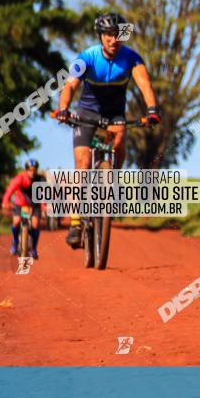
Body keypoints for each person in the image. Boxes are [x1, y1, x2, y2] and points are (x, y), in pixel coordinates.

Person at [54, 13, 161, 249]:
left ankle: (113, 182)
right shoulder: (87, 57)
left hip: (114, 115)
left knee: (119, 142)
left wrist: (152, 109)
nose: (114, 40)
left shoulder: (132, 58)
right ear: (101, 36)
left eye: (118, 35)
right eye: (109, 35)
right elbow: (70, 85)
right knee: (82, 165)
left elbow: (145, 84)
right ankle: (75, 223)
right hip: (87, 114)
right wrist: (63, 108)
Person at [1, 159, 41, 259]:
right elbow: (10, 189)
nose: (32, 172)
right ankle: (15, 241)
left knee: (35, 224)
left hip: (34, 204)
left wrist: (47, 203)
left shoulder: (40, 179)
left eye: (34, 170)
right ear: (26, 170)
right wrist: (5, 201)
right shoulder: (20, 178)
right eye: (30, 170)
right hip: (19, 203)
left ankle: (34, 249)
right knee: (16, 221)